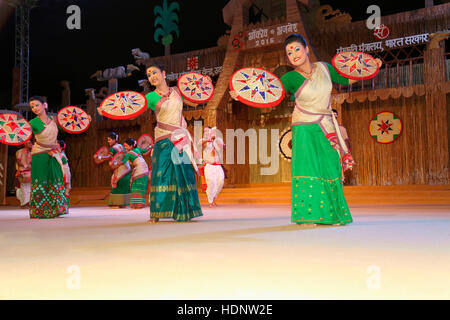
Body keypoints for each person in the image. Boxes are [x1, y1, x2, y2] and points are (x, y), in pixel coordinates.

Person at [230, 33, 381, 226]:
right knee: (308, 167)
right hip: (303, 126)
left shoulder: (325, 68)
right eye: (289, 52)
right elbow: (270, 95)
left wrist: (370, 67)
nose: (294, 54)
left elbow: (347, 79)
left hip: (325, 124)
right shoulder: (290, 77)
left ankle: (333, 214)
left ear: (306, 49)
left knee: (330, 165)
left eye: (297, 49)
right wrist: (242, 95)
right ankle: (308, 215)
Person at [144, 60, 203, 223]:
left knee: (184, 174)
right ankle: (157, 213)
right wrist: (103, 111)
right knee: (162, 174)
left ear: (163, 74)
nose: (152, 77)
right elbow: (133, 108)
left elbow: (196, 100)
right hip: (163, 139)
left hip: (180, 139)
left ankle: (186, 211)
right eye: (149, 75)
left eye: (154, 72)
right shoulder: (150, 97)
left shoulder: (178, 91)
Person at [28, 96, 70, 218]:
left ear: (44, 105)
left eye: (37, 105)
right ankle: (41, 211)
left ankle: (56, 209)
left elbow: (70, 123)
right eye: (32, 106)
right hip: (40, 154)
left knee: (55, 178)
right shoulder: (32, 123)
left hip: (54, 153)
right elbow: (22, 132)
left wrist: (85, 119)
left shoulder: (55, 120)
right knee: (41, 180)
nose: (34, 108)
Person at [198, 126, 225, 207]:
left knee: (220, 182)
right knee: (211, 183)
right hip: (209, 166)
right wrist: (209, 140)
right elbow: (201, 144)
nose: (206, 132)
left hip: (218, 166)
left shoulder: (218, 140)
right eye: (205, 131)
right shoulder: (203, 140)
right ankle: (211, 201)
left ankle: (213, 198)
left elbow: (224, 146)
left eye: (208, 131)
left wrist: (219, 143)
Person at [122, 138, 151, 209]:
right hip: (145, 168)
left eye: (126, 146)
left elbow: (123, 162)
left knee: (136, 186)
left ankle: (137, 204)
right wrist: (151, 146)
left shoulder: (128, 154)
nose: (125, 148)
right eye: (124, 146)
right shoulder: (137, 150)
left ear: (131, 146)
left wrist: (114, 162)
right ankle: (140, 204)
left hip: (140, 169)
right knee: (141, 185)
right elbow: (146, 150)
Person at [105, 132, 131, 208]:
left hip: (121, 168)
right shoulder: (121, 146)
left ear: (114, 140)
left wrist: (100, 157)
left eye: (109, 140)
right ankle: (124, 203)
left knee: (115, 182)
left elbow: (109, 157)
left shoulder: (112, 148)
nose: (108, 141)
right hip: (127, 167)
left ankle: (116, 204)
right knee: (124, 185)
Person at [15, 140, 33, 208]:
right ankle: (23, 203)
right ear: (25, 144)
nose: (31, 144)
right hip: (23, 171)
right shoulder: (20, 151)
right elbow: (18, 161)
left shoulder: (32, 152)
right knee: (24, 188)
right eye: (29, 143)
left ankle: (28, 202)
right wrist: (25, 166)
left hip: (31, 171)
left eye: (31, 143)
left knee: (30, 188)